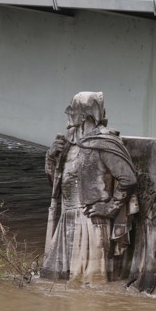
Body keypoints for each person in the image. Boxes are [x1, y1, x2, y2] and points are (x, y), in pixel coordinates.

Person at [41, 92, 138, 285]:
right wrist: (51, 158)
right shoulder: (68, 143)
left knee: (90, 283)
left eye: (73, 109)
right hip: (66, 217)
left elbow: (128, 178)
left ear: (85, 115)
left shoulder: (104, 143)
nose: (68, 114)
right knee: (55, 281)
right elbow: (56, 185)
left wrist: (109, 208)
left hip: (90, 221)